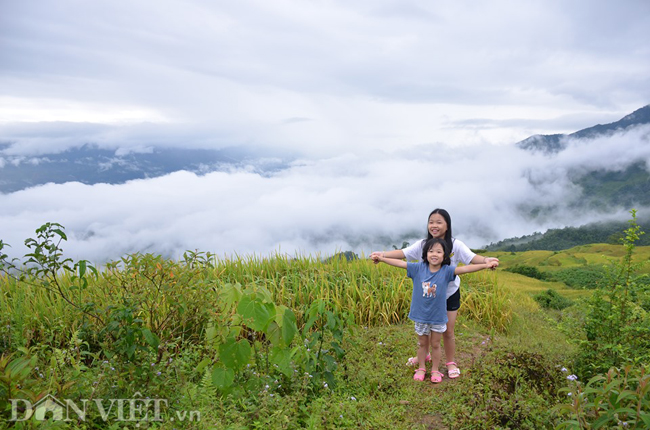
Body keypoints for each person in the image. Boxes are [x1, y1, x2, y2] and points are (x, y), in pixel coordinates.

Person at [370, 208, 499, 379]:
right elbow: (403, 254)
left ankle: (450, 362)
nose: (434, 225)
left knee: (448, 331)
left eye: (439, 222)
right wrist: (382, 255)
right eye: (431, 222)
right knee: (424, 331)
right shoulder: (425, 245)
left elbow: (470, 260)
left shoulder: (456, 245)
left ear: (447, 225)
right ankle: (424, 356)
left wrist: (485, 261)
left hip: (449, 293)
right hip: (427, 297)